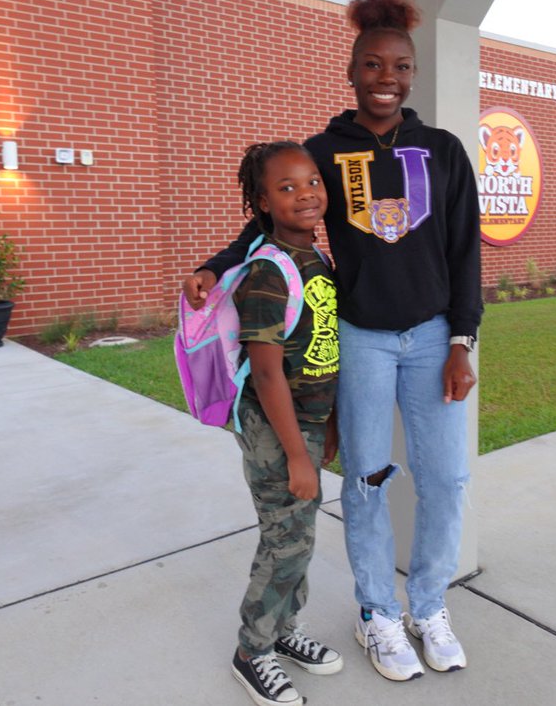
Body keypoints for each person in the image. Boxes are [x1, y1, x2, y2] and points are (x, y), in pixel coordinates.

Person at [186, 0, 482, 683]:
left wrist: (463, 340)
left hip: (435, 336)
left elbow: (466, 248)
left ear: (414, 73)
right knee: (369, 480)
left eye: (401, 67)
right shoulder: (321, 150)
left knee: (446, 478)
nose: (388, 79)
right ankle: (379, 614)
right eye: (373, 66)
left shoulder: (442, 150)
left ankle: (430, 606)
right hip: (363, 338)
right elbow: (268, 220)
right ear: (352, 74)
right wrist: (214, 264)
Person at [227, 141, 343, 706]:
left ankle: (283, 631)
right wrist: (297, 453)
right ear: (262, 201)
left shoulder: (317, 258)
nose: (306, 195)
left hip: (308, 423)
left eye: (313, 182)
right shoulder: (270, 271)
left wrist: (331, 423)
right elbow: (268, 375)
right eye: (287, 188)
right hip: (277, 431)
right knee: (284, 542)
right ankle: (252, 651)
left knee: (300, 536)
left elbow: (325, 347)